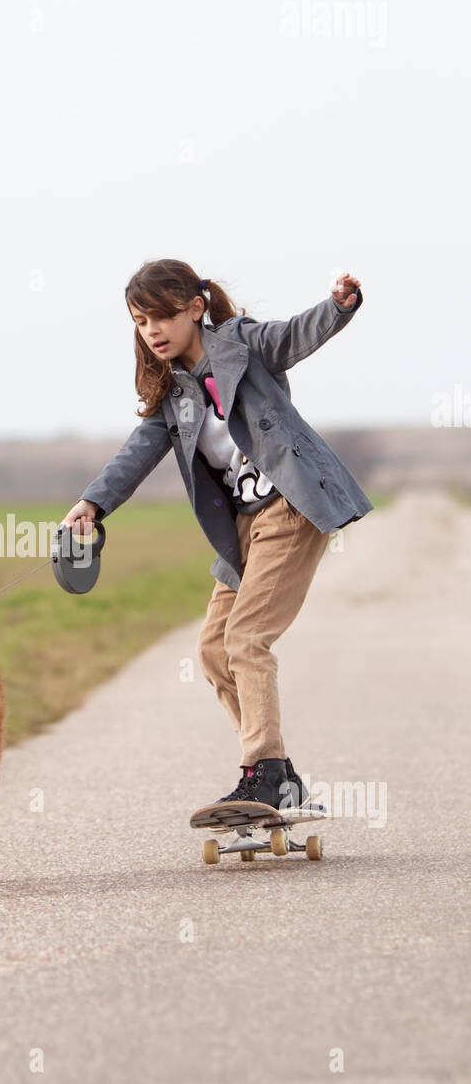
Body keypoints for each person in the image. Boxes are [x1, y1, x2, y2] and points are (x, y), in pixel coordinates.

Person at [62, 259, 371, 809]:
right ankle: (277, 772)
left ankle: (264, 771)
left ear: (195, 308)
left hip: (289, 506)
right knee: (212, 651)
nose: (151, 330)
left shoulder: (242, 344)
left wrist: (338, 307)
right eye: (139, 321)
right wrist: (93, 501)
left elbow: (294, 336)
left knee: (246, 640)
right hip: (242, 528)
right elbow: (136, 452)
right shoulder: (175, 393)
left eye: (161, 316)